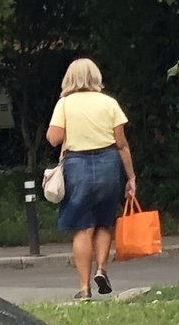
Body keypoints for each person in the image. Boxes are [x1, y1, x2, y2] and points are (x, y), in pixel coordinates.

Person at [45, 58, 136, 300]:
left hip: (77, 166)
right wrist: (131, 177)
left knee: (81, 227)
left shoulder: (64, 104)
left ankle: (84, 288)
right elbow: (122, 144)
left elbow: (53, 138)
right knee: (104, 221)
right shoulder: (109, 103)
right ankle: (102, 270)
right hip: (108, 163)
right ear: (96, 76)